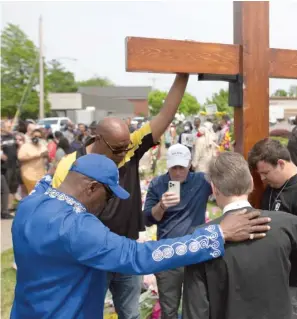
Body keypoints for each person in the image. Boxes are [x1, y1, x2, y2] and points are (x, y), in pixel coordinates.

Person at [12, 154, 271, 319]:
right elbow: (139, 257)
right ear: (91, 187)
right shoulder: (75, 226)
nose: (108, 204)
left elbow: (45, 182)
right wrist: (218, 234)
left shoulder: (32, 203)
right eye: (110, 195)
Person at [52, 74, 193, 319]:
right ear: (98, 140)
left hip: (126, 249)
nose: (124, 154)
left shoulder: (127, 149)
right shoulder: (70, 165)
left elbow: (165, 116)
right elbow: (58, 216)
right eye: (117, 150)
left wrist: (183, 75)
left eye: (127, 147)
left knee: (131, 313)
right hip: (93, 255)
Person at [182, 152, 297, 319]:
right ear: (250, 183)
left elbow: (195, 308)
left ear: (214, 188)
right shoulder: (284, 224)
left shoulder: (203, 237)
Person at [248, 138, 297, 319]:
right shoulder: (273, 187)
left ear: (281, 163)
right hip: (277, 276)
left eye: (265, 173)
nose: (262, 179)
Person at [144, 144, 212, 318]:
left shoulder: (202, 181)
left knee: (197, 307)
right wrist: (161, 206)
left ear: (189, 164)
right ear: (168, 165)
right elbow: (147, 219)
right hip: (168, 254)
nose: (178, 172)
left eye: (181, 167)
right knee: (169, 308)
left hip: (195, 253)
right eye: (174, 167)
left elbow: (225, 188)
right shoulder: (158, 184)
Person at [18, 129, 48, 193]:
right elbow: (20, 157)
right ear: (31, 136)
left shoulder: (42, 146)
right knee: (34, 193)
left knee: (40, 193)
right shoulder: (25, 146)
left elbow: (47, 157)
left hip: (41, 174)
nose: (37, 138)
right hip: (29, 175)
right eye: (35, 136)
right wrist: (37, 155)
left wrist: (46, 155)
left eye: (39, 137)